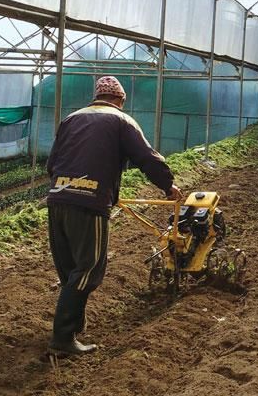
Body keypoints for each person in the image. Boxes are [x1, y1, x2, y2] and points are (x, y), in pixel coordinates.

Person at [45, 76, 183, 356]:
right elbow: (146, 157)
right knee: (89, 268)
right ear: (120, 100)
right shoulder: (121, 121)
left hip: (57, 198)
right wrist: (168, 185)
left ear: (95, 97)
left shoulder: (71, 118)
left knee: (70, 267)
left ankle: (72, 325)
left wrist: (65, 186)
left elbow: (52, 163)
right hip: (90, 203)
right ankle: (62, 338)